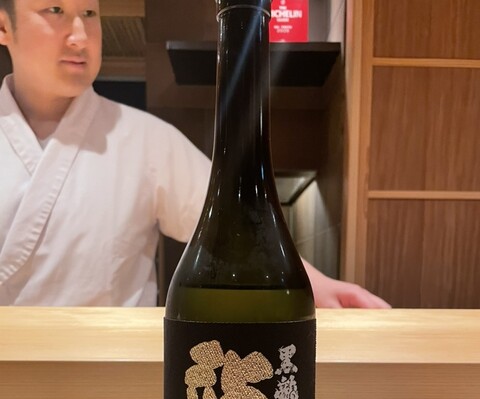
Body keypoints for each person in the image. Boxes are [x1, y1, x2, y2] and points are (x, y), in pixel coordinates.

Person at [0, 0, 390, 308]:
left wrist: (319, 287)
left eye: (90, 14)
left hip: (116, 369)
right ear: (4, 26)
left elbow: (237, 222)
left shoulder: (146, 139)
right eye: (55, 10)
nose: (80, 36)